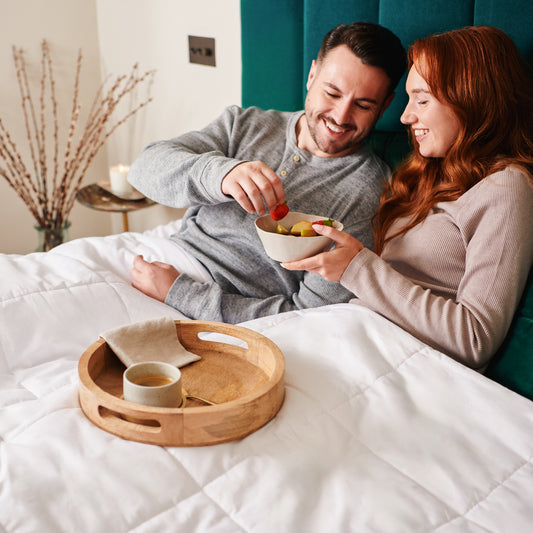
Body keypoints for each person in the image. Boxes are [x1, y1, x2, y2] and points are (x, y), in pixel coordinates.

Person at [282, 25, 533, 369]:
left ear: (471, 99)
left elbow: (475, 339)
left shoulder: (506, 188)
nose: (405, 116)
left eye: (422, 99)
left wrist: (357, 268)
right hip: (350, 340)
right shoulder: (428, 172)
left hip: (398, 364)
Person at [128, 22, 407, 323]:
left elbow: (304, 315)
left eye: (363, 105)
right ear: (312, 75)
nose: (340, 117)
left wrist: (180, 293)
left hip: (217, 309)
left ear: (385, 106)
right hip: (165, 258)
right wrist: (221, 174)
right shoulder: (244, 123)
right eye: (332, 93)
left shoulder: (368, 194)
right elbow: (144, 168)